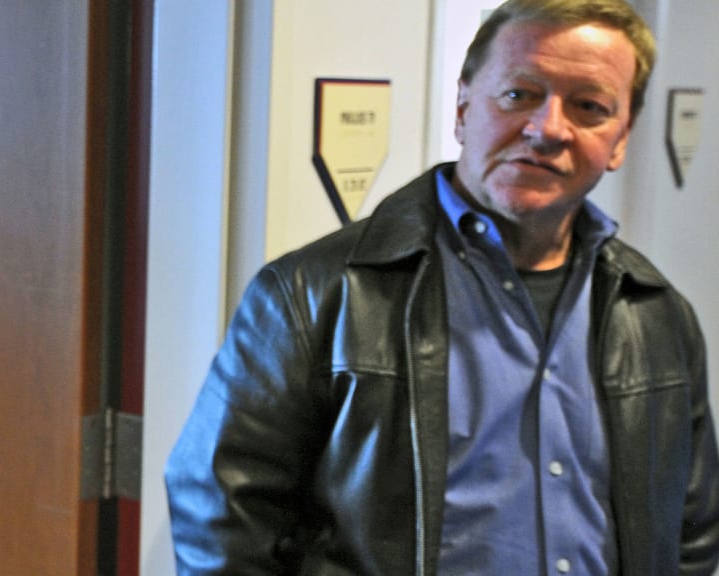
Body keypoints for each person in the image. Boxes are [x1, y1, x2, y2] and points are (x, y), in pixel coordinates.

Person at [164, 0, 719, 574]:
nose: (548, 128)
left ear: (621, 138)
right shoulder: (315, 293)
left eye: (589, 107)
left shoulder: (655, 312)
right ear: (462, 107)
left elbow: (692, 530)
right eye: (519, 94)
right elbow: (222, 519)